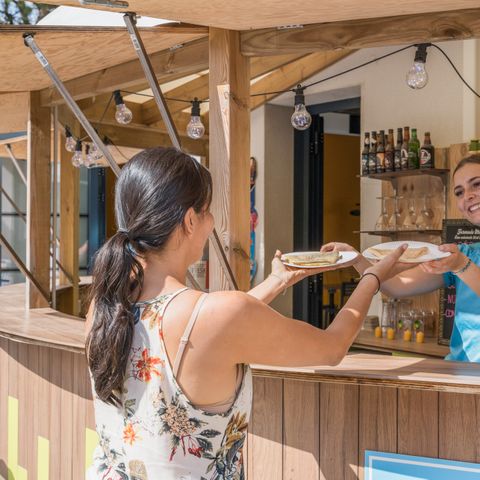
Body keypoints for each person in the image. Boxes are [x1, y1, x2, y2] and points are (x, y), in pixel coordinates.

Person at [85, 147, 406, 480]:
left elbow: (209, 330)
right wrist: (372, 277)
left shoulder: (105, 305)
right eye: (208, 211)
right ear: (190, 221)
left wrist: (277, 281)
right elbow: (332, 347)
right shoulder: (213, 316)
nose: (211, 222)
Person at [322, 155, 480, 363]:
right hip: (460, 370)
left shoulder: (461, 260)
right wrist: (357, 259)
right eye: (459, 192)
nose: (467, 196)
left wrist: (462, 266)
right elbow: (396, 286)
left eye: (476, 184)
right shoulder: (465, 254)